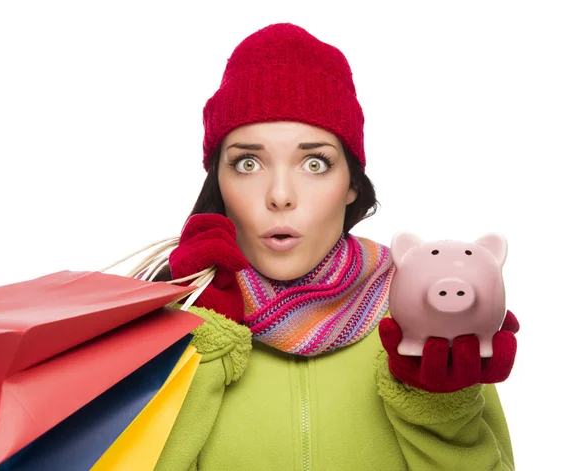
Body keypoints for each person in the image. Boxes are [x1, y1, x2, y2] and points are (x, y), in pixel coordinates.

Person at [153, 23, 519, 470]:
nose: (280, 194)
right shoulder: (176, 322)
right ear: (220, 182)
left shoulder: (422, 326)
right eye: (248, 163)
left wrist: (441, 412)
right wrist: (199, 344)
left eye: (314, 162)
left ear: (351, 184)